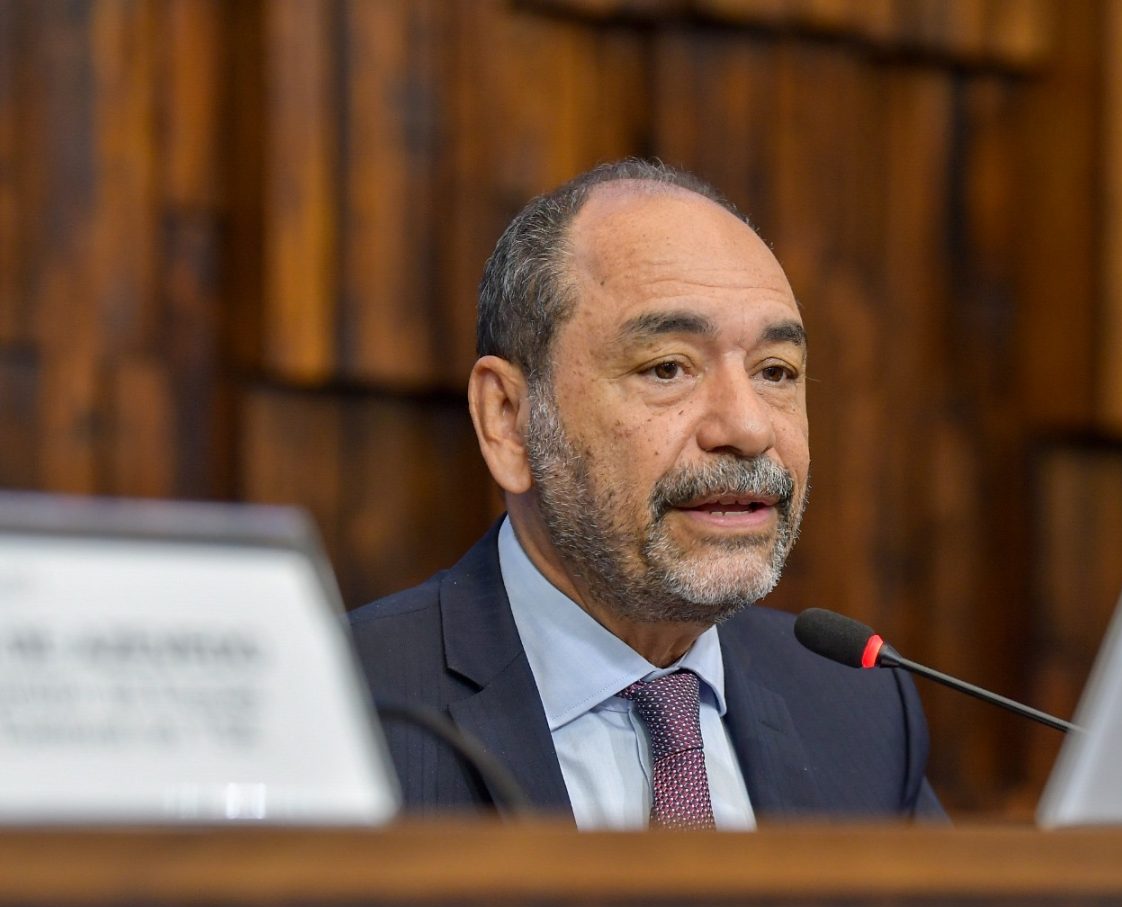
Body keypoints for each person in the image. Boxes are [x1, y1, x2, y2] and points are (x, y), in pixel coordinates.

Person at [351, 159, 944, 828]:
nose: (748, 428)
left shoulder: (860, 709)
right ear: (509, 421)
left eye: (775, 372)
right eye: (667, 368)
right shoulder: (346, 705)